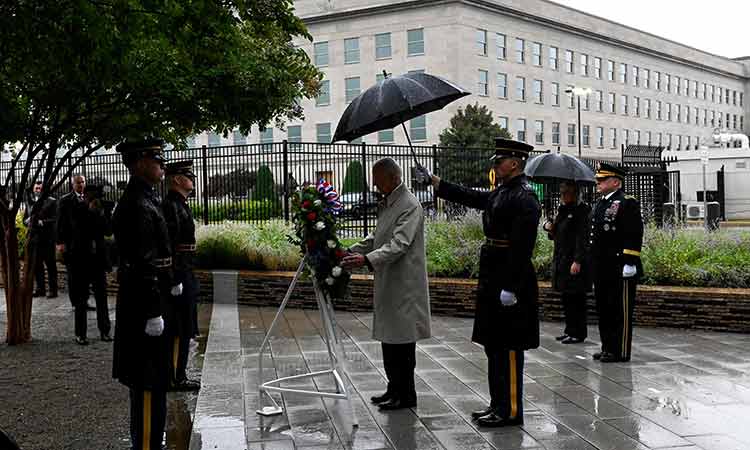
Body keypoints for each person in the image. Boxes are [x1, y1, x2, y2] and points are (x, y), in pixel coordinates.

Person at [418, 138, 541, 427]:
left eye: (499, 162)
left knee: (509, 348)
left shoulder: (524, 196)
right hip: (494, 273)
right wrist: (436, 181)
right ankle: (497, 404)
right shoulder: (504, 191)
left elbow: (523, 248)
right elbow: (473, 197)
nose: (495, 166)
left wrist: (510, 287)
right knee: (494, 345)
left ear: (515, 163)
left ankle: (511, 410)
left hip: (511, 278)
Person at [342, 157, 431, 411]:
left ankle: (406, 394)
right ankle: (394, 389)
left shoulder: (409, 205)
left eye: (378, 180)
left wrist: (366, 260)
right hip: (390, 281)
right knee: (389, 340)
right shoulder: (390, 202)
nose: (375, 185)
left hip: (404, 285)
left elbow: (399, 244)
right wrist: (350, 250)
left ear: (393, 178)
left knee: (402, 343)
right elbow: (377, 237)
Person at [112, 137, 172, 450]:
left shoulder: (147, 198)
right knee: (148, 385)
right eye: (156, 159)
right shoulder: (136, 204)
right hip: (143, 306)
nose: (162, 164)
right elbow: (140, 263)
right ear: (138, 163)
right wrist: (152, 311)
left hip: (152, 300)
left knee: (156, 384)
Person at [590, 163, 644, 363]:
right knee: (604, 309)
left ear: (615, 182)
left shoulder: (627, 202)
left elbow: (634, 233)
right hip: (603, 266)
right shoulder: (601, 203)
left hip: (620, 265)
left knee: (619, 310)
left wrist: (630, 261)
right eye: (598, 179)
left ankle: (620, 350)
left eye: (602, 179)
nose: (598, 182)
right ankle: (607, 347)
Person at [57, 175, 113, 344]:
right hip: (78, 257)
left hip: (97, 259)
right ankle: (80, 334)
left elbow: (108, 231)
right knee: (80, 298)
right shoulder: (71, 204)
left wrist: (101, 212)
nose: (82, 188)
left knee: (102, 297)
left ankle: (105, 331)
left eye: (84, 184)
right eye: (78, 183)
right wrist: (61, 244)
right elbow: (64, 225)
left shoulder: (101, 207)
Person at [162, 160, 200, 391]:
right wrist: (174, 278)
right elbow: (169, 244)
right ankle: (175, 376)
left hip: (186, 270)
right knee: (178, 326)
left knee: (185, 324)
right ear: (176, 179)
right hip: (179, 272)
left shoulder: (181, 204)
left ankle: (179, 372)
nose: (192, 179)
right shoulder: (171, 206)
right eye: (188, 176)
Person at [543, 180, 591, 344]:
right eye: (562, 192)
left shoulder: (582, 211)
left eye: (566, 193)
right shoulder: (563, 210)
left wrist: (577, 260)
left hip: (573, 260)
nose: (562, 196)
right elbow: (557, 234)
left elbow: (582, 238)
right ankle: (569, 329)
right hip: (562, 258)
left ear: (574, 193)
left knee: (576, 298)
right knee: (566, 297)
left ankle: (578, 332)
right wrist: (550, 227)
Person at [24, 181, 58, 298]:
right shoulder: (30, 202)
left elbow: (55, 219)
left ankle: (53, 290)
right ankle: (40, 289)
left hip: (47, 239)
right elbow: (25, 219)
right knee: (37, 265)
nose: (38, 190)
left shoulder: (52, 201)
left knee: (50, 265)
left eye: (40, 188)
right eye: (36, 188)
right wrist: (27, 221)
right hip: (34, 238)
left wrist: (42, 222)